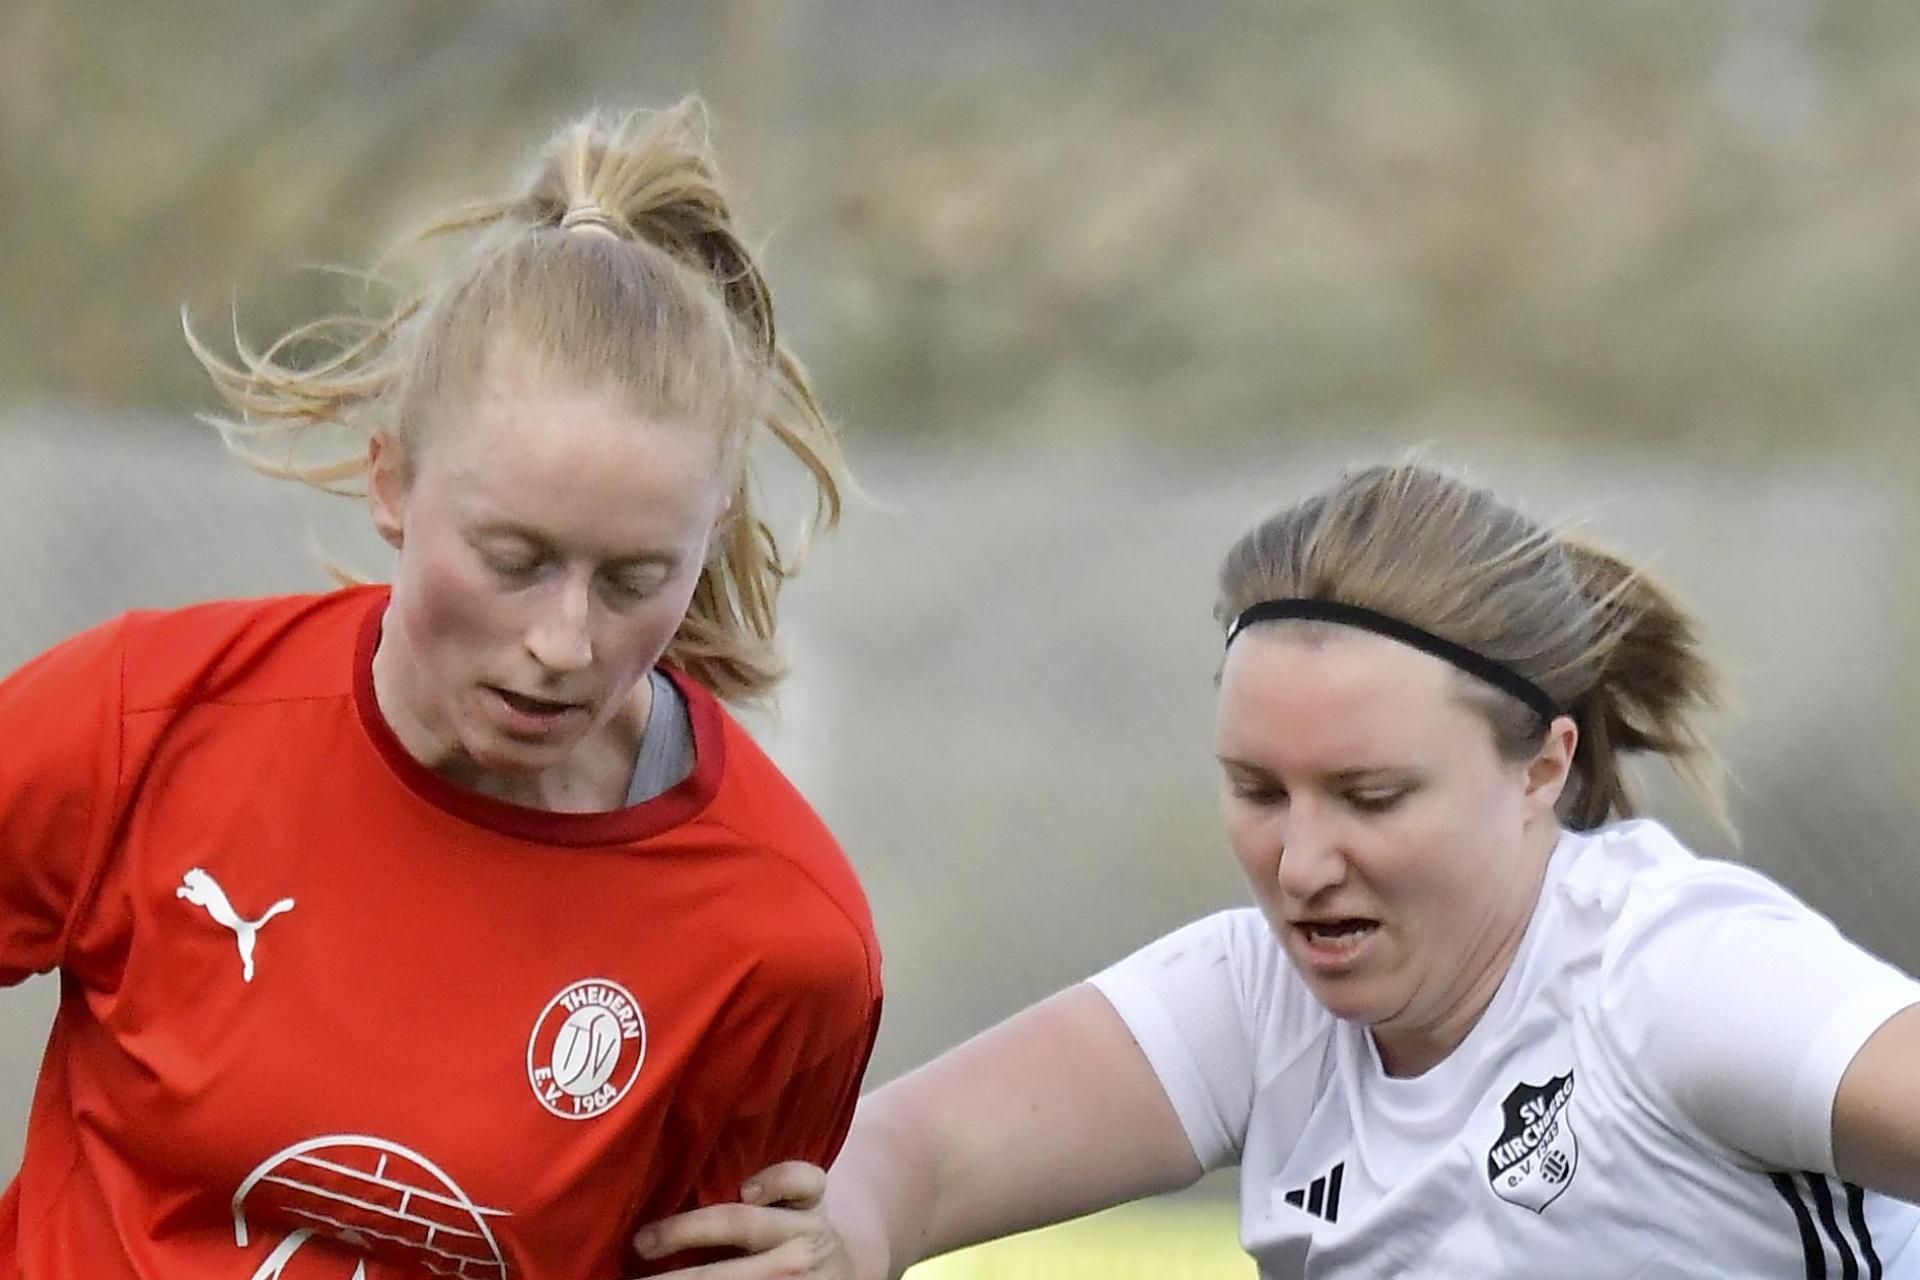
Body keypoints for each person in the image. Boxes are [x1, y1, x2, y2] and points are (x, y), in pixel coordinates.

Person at [633, 460, 1920, 1279]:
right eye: (1257, 791)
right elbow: (919, 1151)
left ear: (1543, 767)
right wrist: (845, 1235)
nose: (1302, 862)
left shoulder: (1678, 976)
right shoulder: (1262, 1002)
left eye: (1372, 795)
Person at [0, 99, 881, 1280]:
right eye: (514, 561)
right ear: (392, 484)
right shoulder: (141, 720)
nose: (565, 641)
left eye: (634, 577)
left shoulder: (782, 942)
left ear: (708, 537)